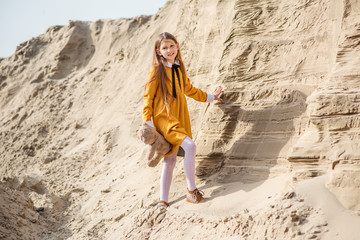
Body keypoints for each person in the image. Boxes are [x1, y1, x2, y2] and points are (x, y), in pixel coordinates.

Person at [142, 32, 223, 208]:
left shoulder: (179, 67)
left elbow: (188, 89)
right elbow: (148, 97)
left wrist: (210, 97)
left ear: (177, 46)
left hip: (180, 116)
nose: (169, 50)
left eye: (171, 45)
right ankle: (191, 192)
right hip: (165, 118)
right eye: (164, 47)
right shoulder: (157, 69)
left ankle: (163, 201)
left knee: (170, 159)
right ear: (158, 51)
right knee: (190, 146)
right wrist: (147, 122)